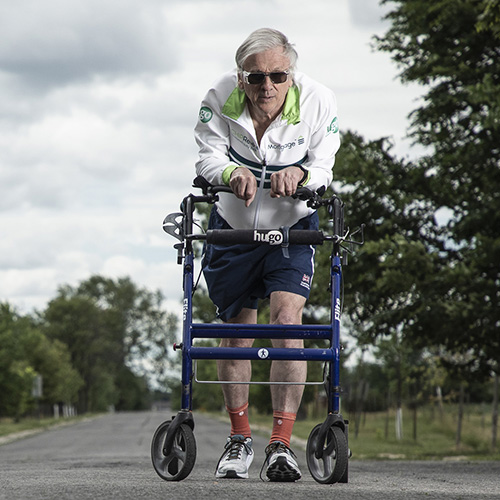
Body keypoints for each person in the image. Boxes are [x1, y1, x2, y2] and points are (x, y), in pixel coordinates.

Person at [194, 28, 340, 481]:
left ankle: (281, 444)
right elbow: (205, 156)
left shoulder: (318, 100)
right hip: (233, 225)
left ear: (290, 73)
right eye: (256, 78)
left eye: (278, 76)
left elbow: (325, 163)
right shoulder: (218, 96)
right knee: (237, 330)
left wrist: (301, 172)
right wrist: (230, 170)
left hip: (291, 226)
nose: (267, 87)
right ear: (241, 79)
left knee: (286, 323)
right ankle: (239, 440)